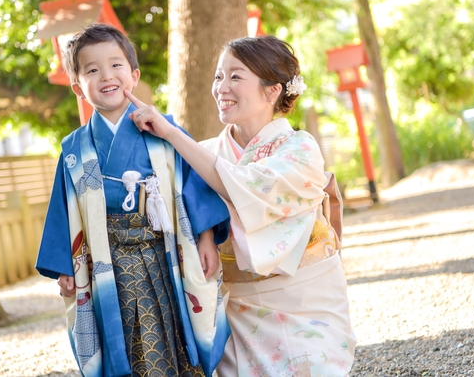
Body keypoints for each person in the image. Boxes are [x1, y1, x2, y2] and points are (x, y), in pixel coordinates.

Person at [125, 35, 356, 376]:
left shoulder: (300, 149)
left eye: (235, 76)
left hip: (305, 298)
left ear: (272, 89)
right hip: (236, 306)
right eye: (219, 77)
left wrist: (174, 134)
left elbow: (243, 186)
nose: (222, 87)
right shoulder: (204, 152)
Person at [36, 24, 231, 377]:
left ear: (134, 74)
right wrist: (66, 264)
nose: (106, 76)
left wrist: (205, 239)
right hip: (108, 264)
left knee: (176, 331)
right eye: (92, 70)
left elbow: (192, 184)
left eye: (116, 66)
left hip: (165, 255)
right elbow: (62, 210)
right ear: (79, 87)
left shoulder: (163, 129)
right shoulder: (74, 149)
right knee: (121, 340)